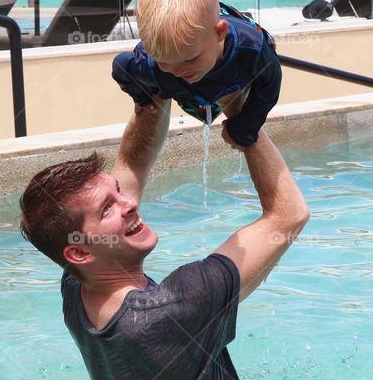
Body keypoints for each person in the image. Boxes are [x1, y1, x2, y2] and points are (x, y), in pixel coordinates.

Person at [19, 100, 309, 379]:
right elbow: (288, 215)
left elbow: (133, 160)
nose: (129, 204)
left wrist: (154, 89)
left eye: (117, 191)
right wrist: (241, 110)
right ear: (79, 252)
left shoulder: (77, 285)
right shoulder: (170, 309)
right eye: (107, 208)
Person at [112, 0, 281, 150]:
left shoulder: (251, 48)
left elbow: (270, 81)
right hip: (196, 89)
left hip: (235, 46)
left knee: (268, 49)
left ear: (220, 33)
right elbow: (121, 67)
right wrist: (141, 97)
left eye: (190, 59)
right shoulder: (150, 67)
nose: (176, 71)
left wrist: (246, 126)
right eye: (164, 61)